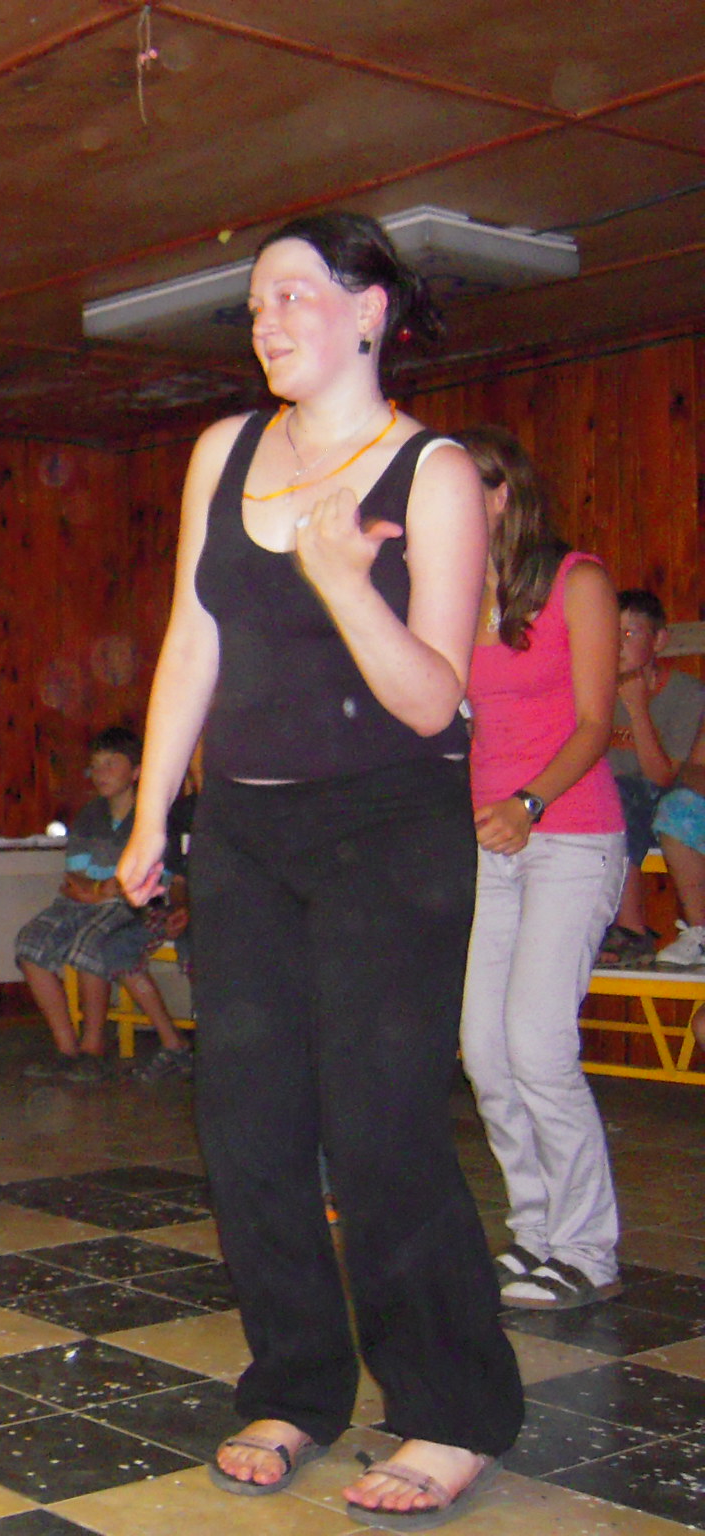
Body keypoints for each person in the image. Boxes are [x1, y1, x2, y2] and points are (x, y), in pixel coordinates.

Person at [116, 212, 521, 1526]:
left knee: (380, 1125)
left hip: (387, 832)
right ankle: (294, 1382)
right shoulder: (223, 451)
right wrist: (152, 813)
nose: (266, 320)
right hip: (244, 829)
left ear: (369, 311)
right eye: (253, 303)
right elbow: (192, 637)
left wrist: (346, 581)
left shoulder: (432, 472)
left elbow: (433, 701)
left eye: (292, 294)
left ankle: (451, 1408)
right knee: (247, 1122)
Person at [455, 424, 627, 1312]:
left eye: (463, 485)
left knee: (537, 1044)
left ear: (504, 493)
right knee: (485, 1051)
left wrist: (529, 804)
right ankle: (535, 1233)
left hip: (569, 833)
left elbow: (596, 723)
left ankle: (588, 1248)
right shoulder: (452, 594)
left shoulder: (576, 581)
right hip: (493, 843)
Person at [13, 725, 192, 1084]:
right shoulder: (90, 815)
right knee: (30, 942)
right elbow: (74, 877)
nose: (101, 773)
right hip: (82, 903)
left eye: (111, 763)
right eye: (95, 765)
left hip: (135, 907)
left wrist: (103, 892)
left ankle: (93, 1048)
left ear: (136, 772)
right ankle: (66, 1048)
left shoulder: (152, 817)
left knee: (90, 943)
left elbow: (160, 879)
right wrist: (99, 890)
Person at [598, 591, 702, 965]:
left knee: (622, 796)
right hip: (604, 801)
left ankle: (632, 928)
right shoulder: (594, 690)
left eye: (630, 634)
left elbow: (663, 778)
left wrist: (637, 707)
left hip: (660, 800)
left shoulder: (686, 694)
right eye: (611, 632)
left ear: (658, 641)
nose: (618, 644)